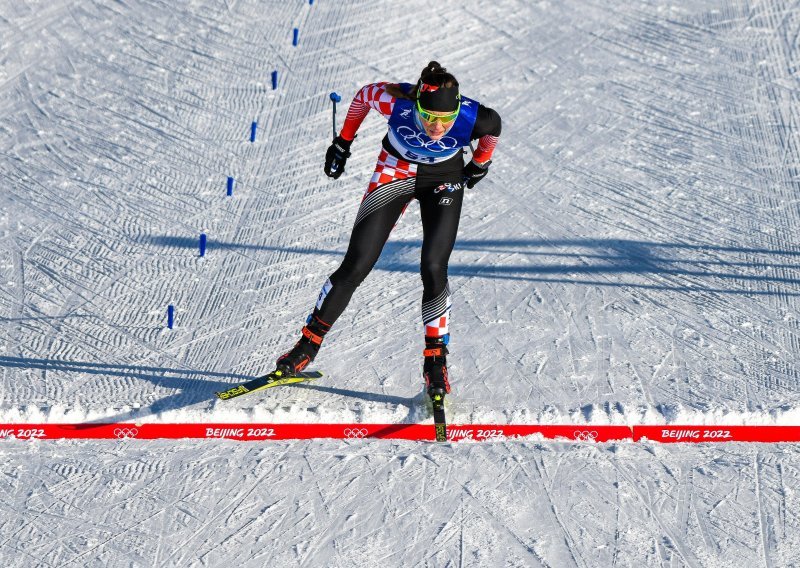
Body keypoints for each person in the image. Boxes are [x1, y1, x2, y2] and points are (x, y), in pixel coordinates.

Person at [274, 61, 501, 405]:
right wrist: (342, 142)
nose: (437, 128)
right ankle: (307, 345)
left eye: (445, 120)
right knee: (357, 264)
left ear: (457, 110)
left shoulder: (474, 116)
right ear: (417, 106)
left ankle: (435, 361)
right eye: (428, 118)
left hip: (443, 178)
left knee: (433, 266)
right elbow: (363, 97)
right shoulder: (396, 102)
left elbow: (494, 129)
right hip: (394, 173)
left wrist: (480, 163)